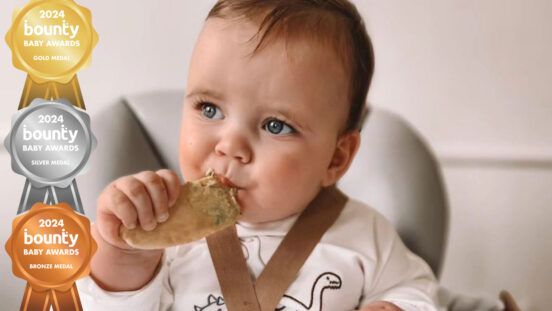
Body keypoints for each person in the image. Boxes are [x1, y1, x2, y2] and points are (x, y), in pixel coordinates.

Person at [78, 1, 439, 310]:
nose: (229, 145)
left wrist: (396, 305)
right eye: (208, 108)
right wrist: (125, 253)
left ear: (336, 158)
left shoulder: (366, 235)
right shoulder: (165, 232)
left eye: (275, 126)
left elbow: (417, 292)